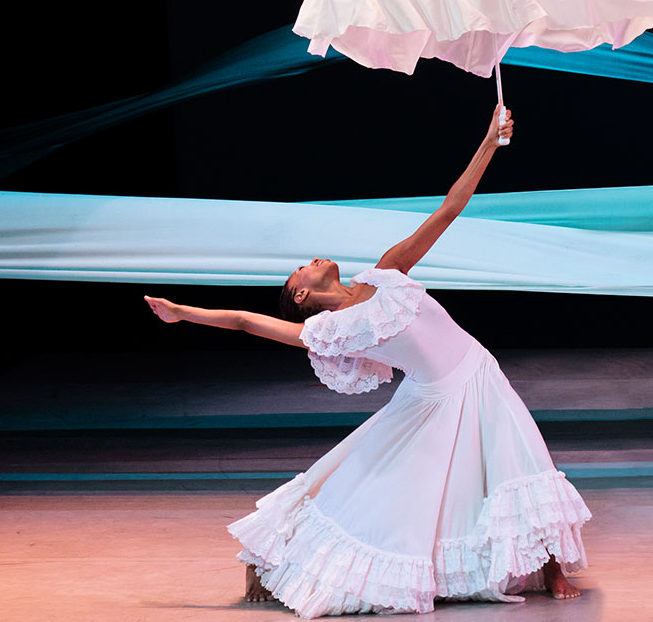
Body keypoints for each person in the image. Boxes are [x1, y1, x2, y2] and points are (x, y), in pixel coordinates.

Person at [144, 105, 591, 618]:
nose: (308, 261)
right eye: (299, 271)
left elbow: (448, 208)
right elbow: (246, 320)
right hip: (434, 398)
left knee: (524, 457)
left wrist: (489, 141)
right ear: (302, 297)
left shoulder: (385, 273)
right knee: (417, 493)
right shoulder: (327, 331)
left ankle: (554, 565)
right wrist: (181, 312)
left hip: (478, 369)